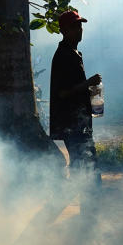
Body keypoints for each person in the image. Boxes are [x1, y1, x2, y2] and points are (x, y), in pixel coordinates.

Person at [49, 10, 102, 177]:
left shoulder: (73, 53)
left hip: (79, 122)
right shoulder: (63, 56)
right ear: (64, 31)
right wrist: (89, 83)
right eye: (74, 26)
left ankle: (86, 196)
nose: (79, 29)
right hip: (71, 123)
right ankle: (90, 197)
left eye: (80, 26)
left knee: (83, 164)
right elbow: (63, 93)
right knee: (87, 165)